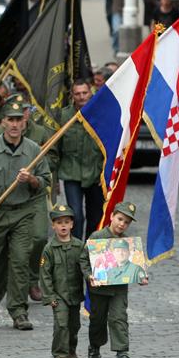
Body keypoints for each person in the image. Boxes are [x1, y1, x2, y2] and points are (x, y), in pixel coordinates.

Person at [0, 101, 51, 330]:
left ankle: (18, 311)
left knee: (20, 261)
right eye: (10, 120)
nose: (14, 124)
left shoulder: (34, 150)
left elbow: (45, 181)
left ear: (25, 123)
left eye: (18, 120)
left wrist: (31, 180)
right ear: (3, 122)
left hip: (23, 213)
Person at [79, 202, 149, 358]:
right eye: (119, 219)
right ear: (112, 216)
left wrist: (141, 277)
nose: (122, 224)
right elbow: (83, 259)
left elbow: (135, 266)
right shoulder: (97, 237)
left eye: (126, 222)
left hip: (118, 289)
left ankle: (122, 350)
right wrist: (89, 276)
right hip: (98, 289)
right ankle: (95, 346)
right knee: (97, 320)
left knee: (119, 317)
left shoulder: (129, 243)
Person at [58, 80, 104, 240]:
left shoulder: (102, 114)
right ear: (72, 96)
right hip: (72, 174)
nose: (82, 97)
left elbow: (112, 146)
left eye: (84, 93)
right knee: (75, 215)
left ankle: (90, 252)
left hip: (96, 174)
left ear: (90, 93)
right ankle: (76, 250)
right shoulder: (64, 116)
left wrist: (107, 173)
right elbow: (56, 148)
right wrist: (53, 179)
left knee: (96, 217)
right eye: (77, 94)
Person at [39, 204, 84, 358]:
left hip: (75, 294)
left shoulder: (79, 246)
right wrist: (49, 295)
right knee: (61, 324)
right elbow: (45, 274)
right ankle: (59, 354)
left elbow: (86, 267)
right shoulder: (49, 249)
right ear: (53, 225)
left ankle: (71, 349)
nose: (63, 225)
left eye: (66, 222)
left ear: (72, 224)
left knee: (74, 325)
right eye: (59, 222)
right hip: (59, 295)